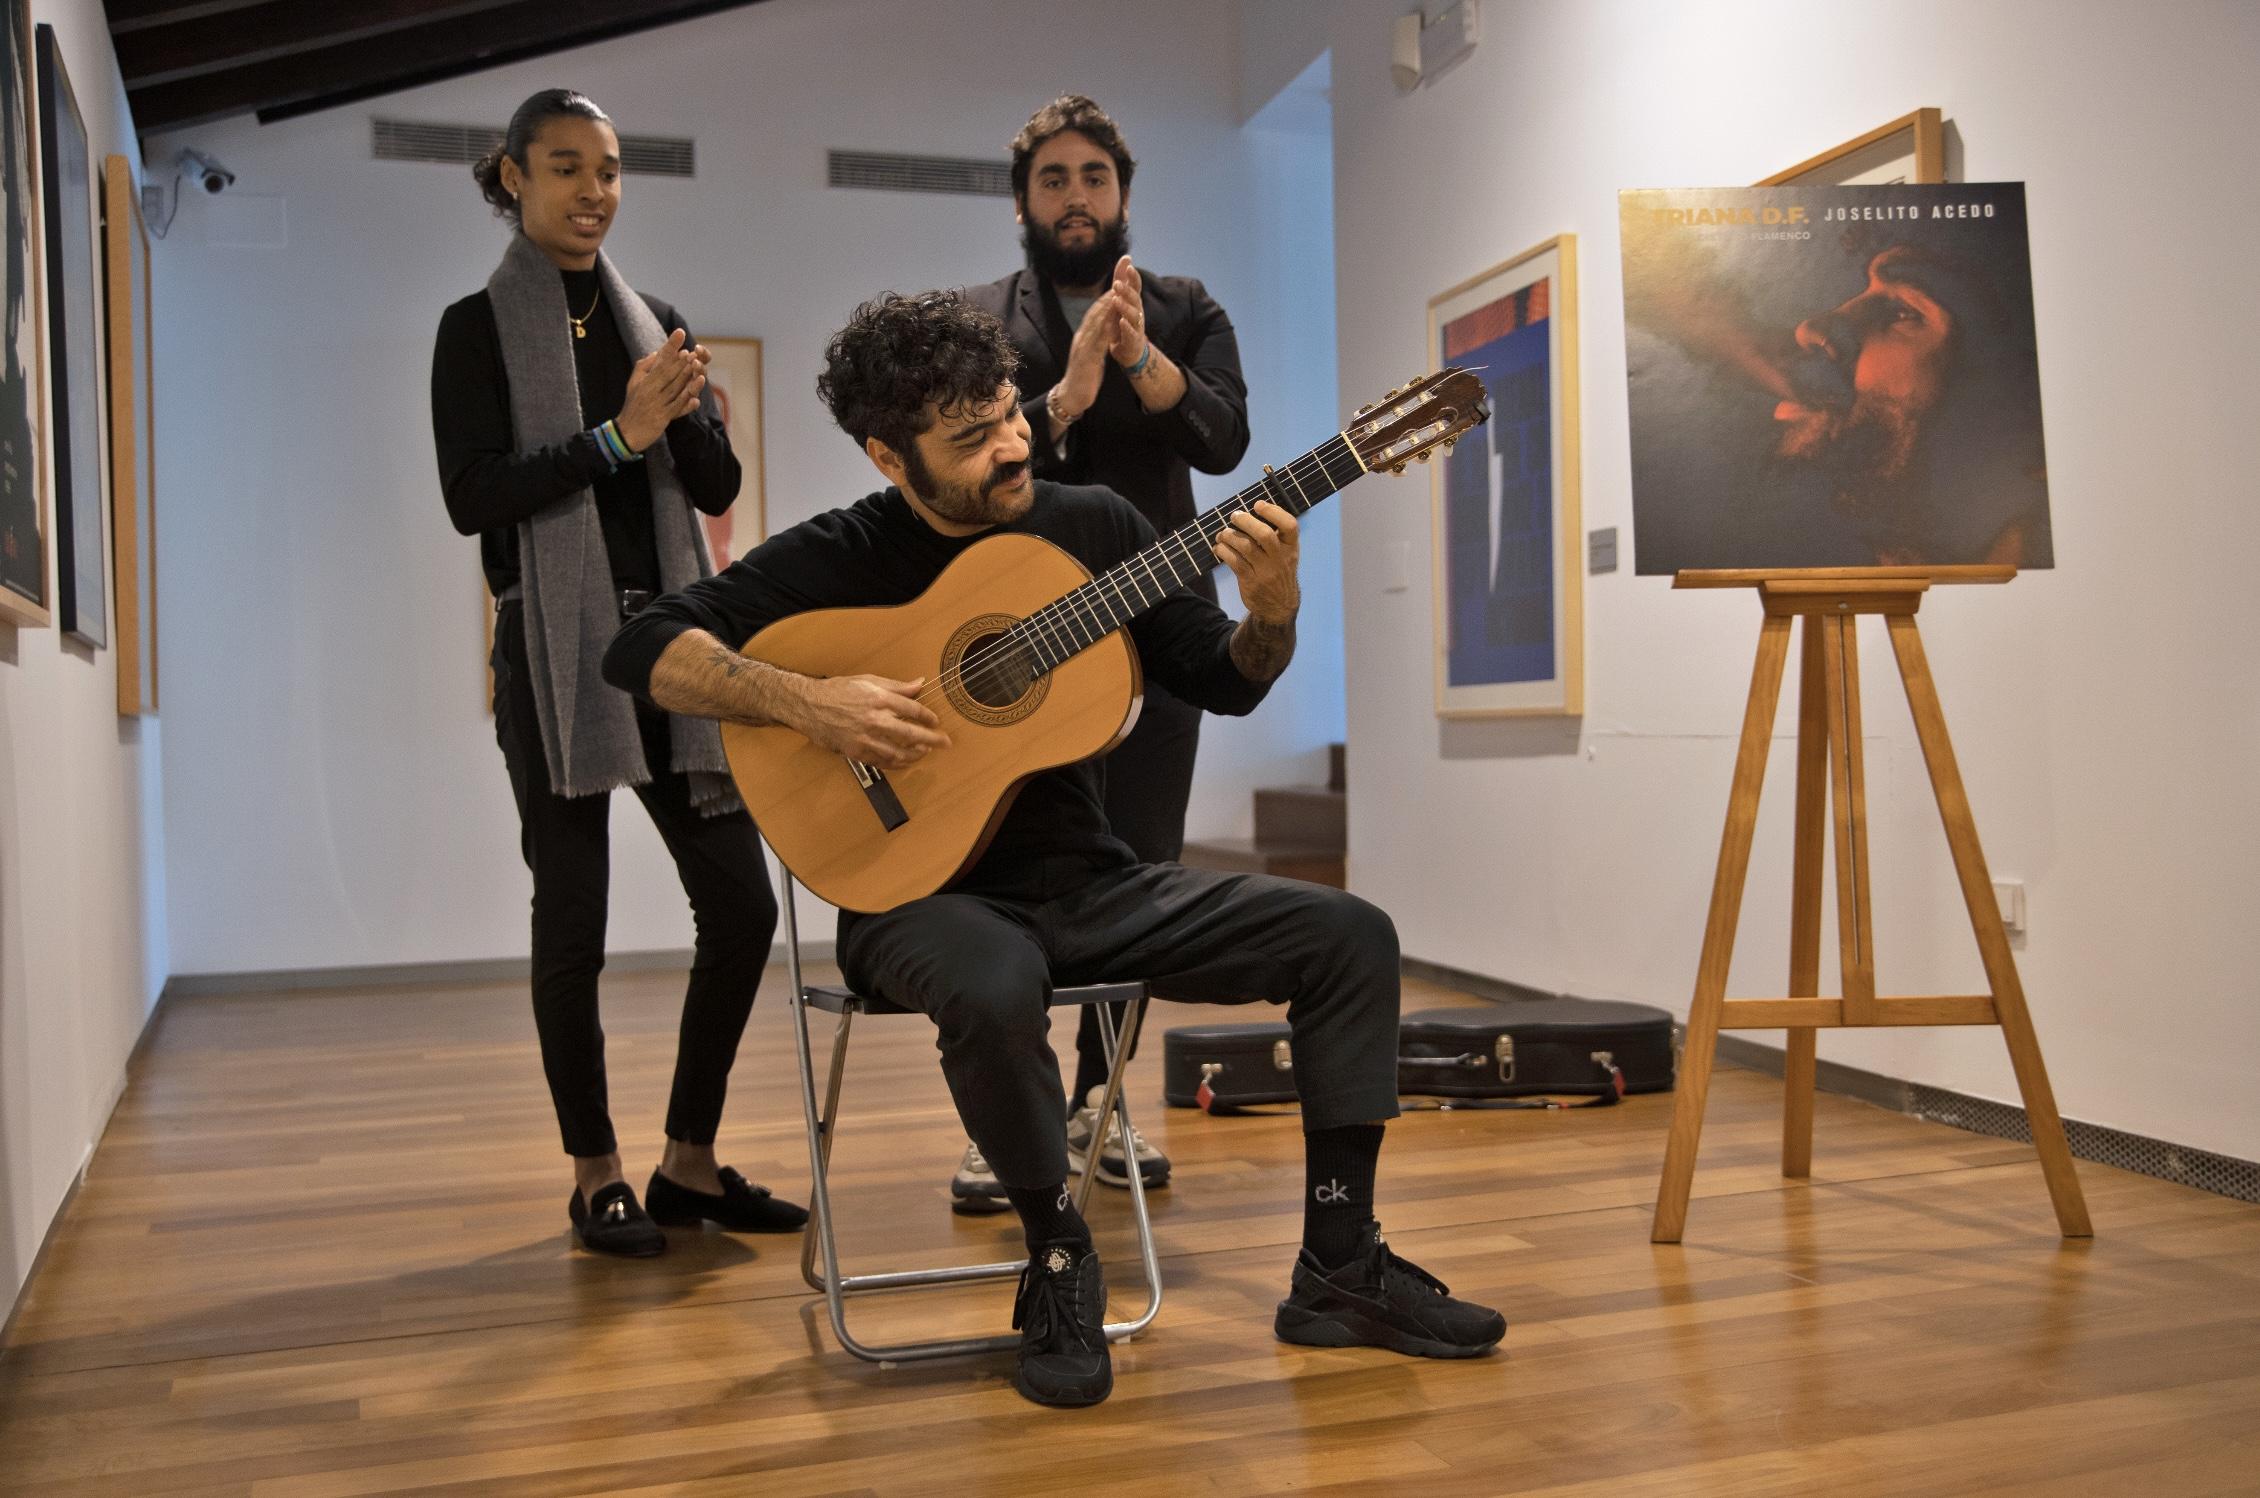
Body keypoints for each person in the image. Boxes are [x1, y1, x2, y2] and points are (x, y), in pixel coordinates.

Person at [602, 291, 1503, 1407]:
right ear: (891, 455)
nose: (1011, 445)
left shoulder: (1095, 526)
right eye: (969, 438)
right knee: (991, 979)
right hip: (915, 897)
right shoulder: (835, 555)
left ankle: (1340, 1264)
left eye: (1008, 415)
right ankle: (1059, 1255)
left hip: (1091, 883)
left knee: (1350, 935)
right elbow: (638, 645)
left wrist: (1271, 612)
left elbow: (1220, 677)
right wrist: (809, 702)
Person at [429, 88, 805, 1257]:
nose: (594, 190)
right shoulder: (474, 329)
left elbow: (716, 490)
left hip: (675, 647)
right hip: (551, 655)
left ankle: (687, 1160)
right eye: (565, 168)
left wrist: (679, 419)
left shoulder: (659, 322)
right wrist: (616, 437)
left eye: (608, 169)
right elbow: (472, 497)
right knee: (573, 921)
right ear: (511, 179)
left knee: (741, 908)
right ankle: (594, 1172)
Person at [958, 95, 1252, 1210]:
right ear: (1023, 200)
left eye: (1092, 176)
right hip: (1015, 637)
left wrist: (1143, 365)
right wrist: (1068, 391)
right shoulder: (982, 321)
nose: (1074, 196)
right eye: (1052, 179)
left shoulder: (1184, 308)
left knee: (1138, 865)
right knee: (1017, 868)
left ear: (1121, 192)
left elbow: (1224, 438)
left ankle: (1101, 1097)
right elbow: (960, 461)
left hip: (1155, 631)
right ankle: (1010, 1113)